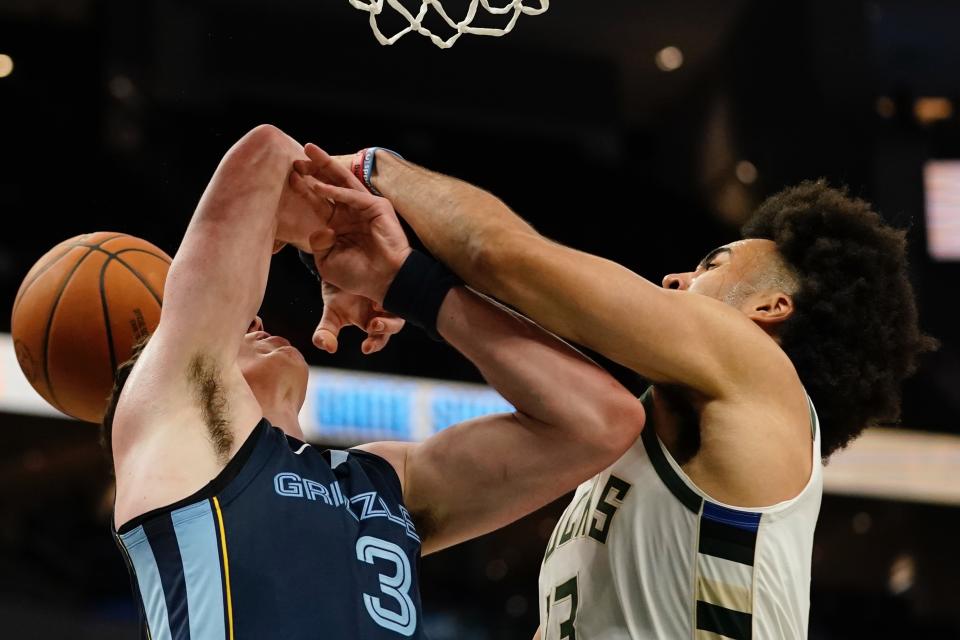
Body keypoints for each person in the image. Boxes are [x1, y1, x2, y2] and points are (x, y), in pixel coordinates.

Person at [293, 145, 935, 639]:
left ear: (772, 306)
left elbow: (501, 255)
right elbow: (552, 355)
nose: (677, 275)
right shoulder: (627, 464)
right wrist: (400, 282)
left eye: (714, 262)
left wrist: (371, 169)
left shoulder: (757, 370)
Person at [104, 125, 646, 640]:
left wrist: (405, 282)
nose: (253, 321)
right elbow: (265, 157)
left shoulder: (379, 485)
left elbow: (601, 422)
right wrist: (332, 207)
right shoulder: (175, 420)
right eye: (232, 332)